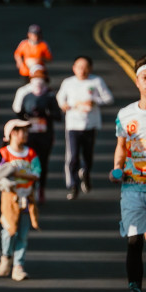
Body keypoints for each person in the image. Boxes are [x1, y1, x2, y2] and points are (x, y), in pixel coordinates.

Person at [110, 55, 146, 292]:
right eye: (145, 77)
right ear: (137, 81)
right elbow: (121, 147)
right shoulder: (126, 114)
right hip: (132, 187)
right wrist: (117, 167)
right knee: (134, 240)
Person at [0, 119, 40, 281]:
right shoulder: (3, 154)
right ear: (13, 134)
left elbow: (36, 174)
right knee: (9, 230)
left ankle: (18, 266)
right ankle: (6, 256)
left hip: (27, 198)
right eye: (22, 131)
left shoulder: (31, 154)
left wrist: (16, 173)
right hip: (10, 198)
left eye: (26, 131)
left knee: (23, 233)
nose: (26, 134)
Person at [57, 55, 114, 200]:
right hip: (73, 125)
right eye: (79, 67)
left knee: (88, 156)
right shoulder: (68, 82)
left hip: (90, 124)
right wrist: (64, 105)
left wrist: (94, 101)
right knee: (73, 157)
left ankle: (85, 174)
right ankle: (72, 185)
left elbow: (109, 98)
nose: (81, 70)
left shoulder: (96, 81)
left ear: (90, 68)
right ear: (74, 68)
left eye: (85, 67)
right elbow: (60, 98)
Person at [12, 65, 61, 204]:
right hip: (29, 135)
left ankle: (41, 188)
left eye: (41, 79)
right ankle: (29, 189)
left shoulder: (50, 96)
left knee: (42, 162)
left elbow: (58, 116)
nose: (38, 82)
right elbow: (18, 113)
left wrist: (46, 114)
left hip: (45, 135)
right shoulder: (25, 94)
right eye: (35, 78)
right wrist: (27, 116)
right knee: (28, 160)